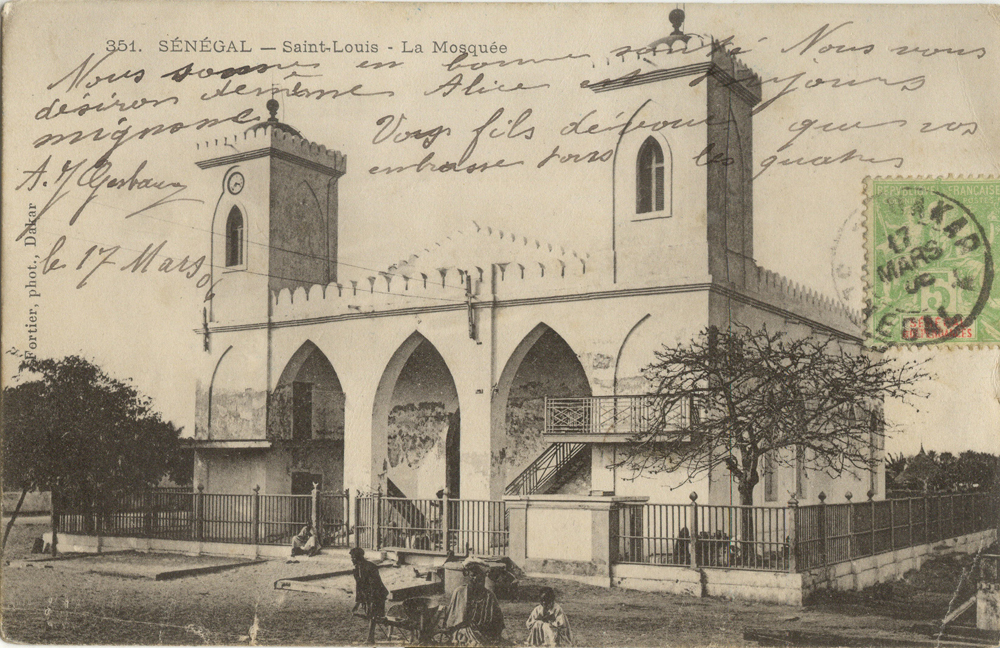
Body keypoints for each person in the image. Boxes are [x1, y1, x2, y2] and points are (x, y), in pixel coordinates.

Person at [443, 562, 506, 646]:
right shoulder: (459, 592)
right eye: (472, 576)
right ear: (468, 577)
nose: (475, 579)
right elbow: (452, 618)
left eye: (479, 578)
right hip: (463, 630)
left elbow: (498, 620)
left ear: (483, 579)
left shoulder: (489, 596)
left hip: (484, 632)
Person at [350, 547, 389, 643]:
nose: (351, 559)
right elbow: (359, 586)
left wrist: (370, 601)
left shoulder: (370, 567)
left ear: (358, 557)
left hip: (377, 594)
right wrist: (358, 603)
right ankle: (384, 626)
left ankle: (370, 638)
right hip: (368, 595)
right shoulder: (356, 570)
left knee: (373, 615)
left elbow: (375, 586)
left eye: (353, 557)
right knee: (371, 615)